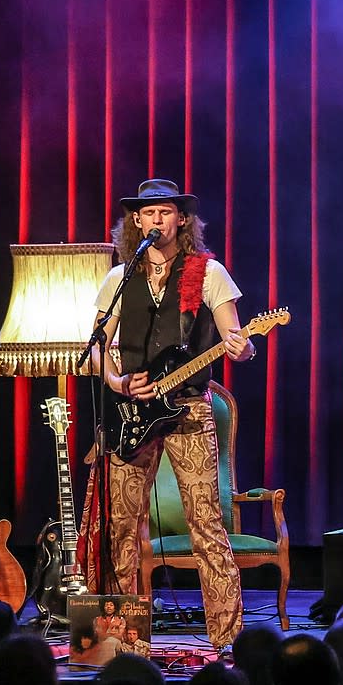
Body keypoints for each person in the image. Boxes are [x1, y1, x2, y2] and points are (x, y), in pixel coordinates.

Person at [93, 178, 253, 649]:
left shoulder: (208, 272)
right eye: (148, 213)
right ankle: (126, 641)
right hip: (132, 412)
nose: (156, 219)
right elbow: (98, 345)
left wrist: (242, 349)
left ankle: (228, 639)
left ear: (181, 219)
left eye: (165, 212)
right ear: (136, 220)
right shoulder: (119, 278)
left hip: (188, 410)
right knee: (122, 524)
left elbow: (235, 339)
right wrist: (117, 382)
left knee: (206, 523)